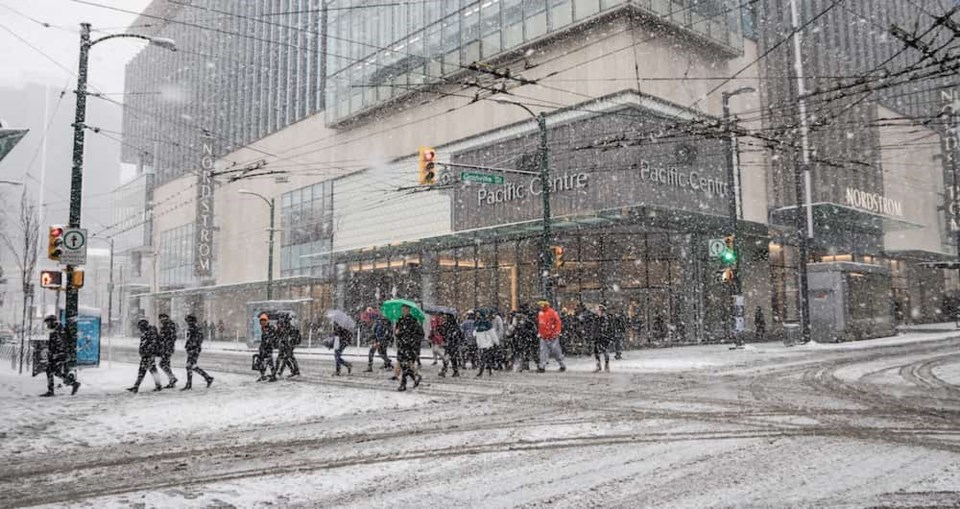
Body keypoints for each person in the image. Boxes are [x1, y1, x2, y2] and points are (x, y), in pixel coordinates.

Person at [39, 315, 81, 397]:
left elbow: (62, 344)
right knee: (56, 372)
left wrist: (56, 354)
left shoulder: (59, 330)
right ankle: (73, 384)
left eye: (48, 322)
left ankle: (51, 391)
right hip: (58, 354)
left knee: (51, 370)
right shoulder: (56, 329)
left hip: (60, 355)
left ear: (52, 322)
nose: (47, 325)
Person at [127, 319, 163, 393]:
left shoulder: (150, 332)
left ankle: (136, 387)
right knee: (150, 370)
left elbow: (152, 344)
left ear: (143, 326)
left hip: (148, 355)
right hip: (147, 355)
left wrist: (148, 352)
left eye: (140, 327)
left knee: (143, 371)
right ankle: (157, 385)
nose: (140, 329)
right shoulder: (147, 332)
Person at [395, 304, 423, 391]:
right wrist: (397, 333)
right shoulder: (399, 320)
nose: (403, 311)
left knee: (406, 365)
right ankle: (416, 378)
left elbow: (420, 334)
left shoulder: (413, 321)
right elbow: (398, 333)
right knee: (405, 366)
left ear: (408, 310)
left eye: (405, 310)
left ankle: (403, 384)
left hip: (410, 347)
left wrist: (412, 341)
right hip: (402, 346)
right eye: (402, 309)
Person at [182, 315, 214, 390]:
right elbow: (191, 340)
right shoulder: (193, 329)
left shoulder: (195, 329)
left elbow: (197, 340)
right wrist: (188, 346)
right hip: (193, 349)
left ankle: (190, 384)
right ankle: (207, 378)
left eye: (188, 321)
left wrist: (192, 346)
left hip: (194, 350)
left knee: (189, 366)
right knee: (192, 366)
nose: (187, 323)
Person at [537, 300, 566, 373]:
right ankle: (542, 367)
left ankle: (562, 365)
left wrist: (556, 332)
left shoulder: (552, 312)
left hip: (552, 337)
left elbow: (558, 322)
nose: (540, 306)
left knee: (556, 352)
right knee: (543, 352)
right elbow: (540, 325)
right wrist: (540, 333)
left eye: (542, 304)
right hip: (544, 336)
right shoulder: (540, 313)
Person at [512, 307, 538, 372]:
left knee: (528, 353)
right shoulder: (521, 323)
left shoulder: (528, 322)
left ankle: (535, 365)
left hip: (528, 339)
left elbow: (533, 331)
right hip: (525, 339)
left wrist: (527, 334)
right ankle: (525, 366)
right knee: (525, 353)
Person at [474, 308, 498, 377]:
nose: (477, 315)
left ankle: (483, 371)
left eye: (478, 314)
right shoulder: (477, 322)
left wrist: (496, 341)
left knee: (484, 357)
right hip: (481, 343)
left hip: (487, 343)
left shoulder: (486, 323)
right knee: (484, 358)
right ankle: (487, 370)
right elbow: (476, 332)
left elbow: (492, 333)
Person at [438, 313, 462, 377]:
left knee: (449, 357)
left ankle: (446, 370)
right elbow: (442, 332)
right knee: (451, 358)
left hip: (452, 344)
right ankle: (453, 371)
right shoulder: (451, 325)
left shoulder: (451, 325)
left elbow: (458, 334)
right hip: (451, 344)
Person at [157, 313, 178, 388]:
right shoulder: (167, 325)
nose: (160, 320)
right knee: (166, 364)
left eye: (161, 318)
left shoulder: (168, 325)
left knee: (162, 364)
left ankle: (172, 378)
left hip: (166, 348)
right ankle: (172, 381)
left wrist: (163, 340)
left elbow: (171, 337)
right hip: (167, 347)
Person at [256, 314, 278, 382]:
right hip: (263, 348)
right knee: (262, 362)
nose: (262, 322)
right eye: (261, 321)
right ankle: (263, 376)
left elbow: (273, 337)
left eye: (264, 321)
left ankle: (273, 376)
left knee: (269, 362)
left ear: (266, 321)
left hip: (268, 348)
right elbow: (263, 339)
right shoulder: (263, 328)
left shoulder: (270, 328)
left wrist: (269, 342)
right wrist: (261, 347)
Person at [591, 305, 612, 373]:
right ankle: (598, 365)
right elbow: (594, 328)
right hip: (597, 337)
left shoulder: (604, 319)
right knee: (596, 351)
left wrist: (605, 335)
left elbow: (606, 328)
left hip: (603, 337)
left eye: (598, 310)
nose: (596, 312)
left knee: (605, 351)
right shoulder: (596, 318)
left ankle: (606, 365)